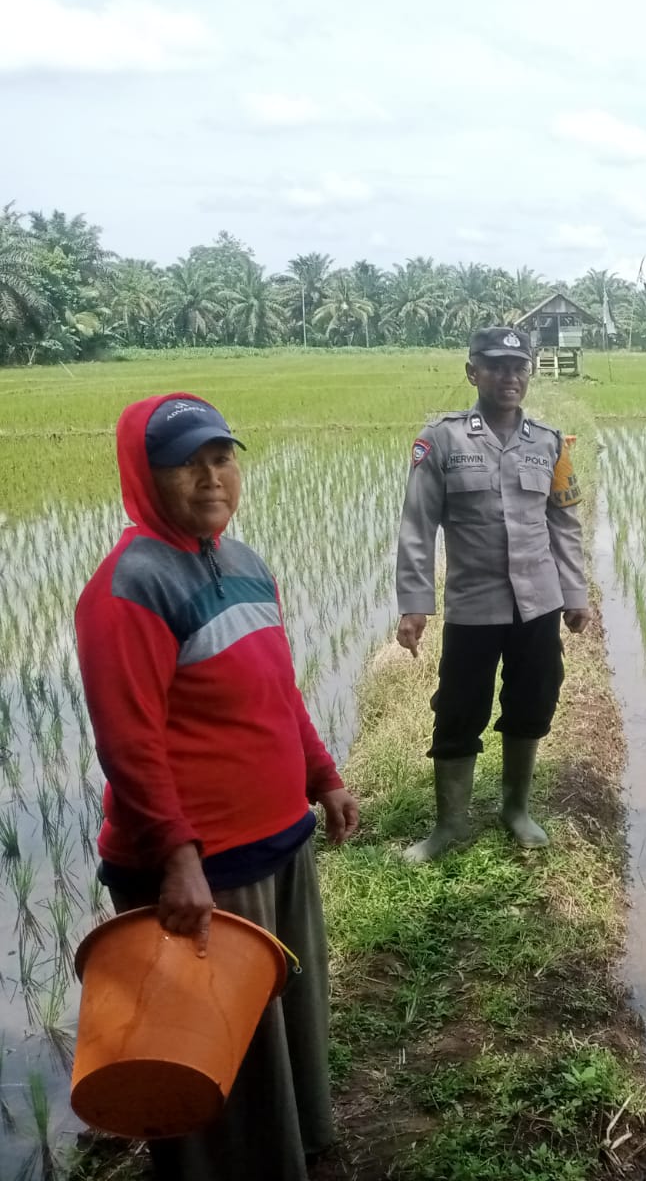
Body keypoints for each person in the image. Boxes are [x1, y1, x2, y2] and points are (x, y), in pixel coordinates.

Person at [75, 394, 359, 1181]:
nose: (210, 477)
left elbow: (278, 690)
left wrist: (323, 777)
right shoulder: (129, 587)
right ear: (145, 472)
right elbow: (128, 743)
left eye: (222, 457)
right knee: (202, 1045)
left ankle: (298, 1152)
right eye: (185, 463)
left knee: (282, 1027)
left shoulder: (245, 563)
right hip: (203, 869)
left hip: (277, 841)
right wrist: (177, 856)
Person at [395, 325, 589, 863]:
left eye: (518, 366)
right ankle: (450, 824)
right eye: (496, 366)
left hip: (539, 604)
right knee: (459, 708)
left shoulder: (549, 442)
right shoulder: (442, 440)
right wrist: (414, 604)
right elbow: (418, 525)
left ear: (529, 372)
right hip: (473, 605)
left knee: (532, 701)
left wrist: (575, 594)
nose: (509, 376)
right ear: (472, 371)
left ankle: (515, 808)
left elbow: (564, 525)